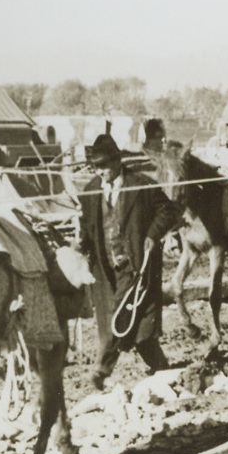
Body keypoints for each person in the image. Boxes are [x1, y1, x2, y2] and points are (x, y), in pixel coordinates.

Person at [79, 132, 182, 390]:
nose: (101, 172)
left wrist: (152, 235)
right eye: (96, 167)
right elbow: (87, 226)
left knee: (122, 314)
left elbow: (169, 211)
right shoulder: (90, 190)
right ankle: (161, 368)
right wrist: (80, 247)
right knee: (137, 328)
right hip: (105, 269)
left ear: (117, 162)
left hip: (136, 264)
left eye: (104, 166)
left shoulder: (141, 185)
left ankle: (102, 370)